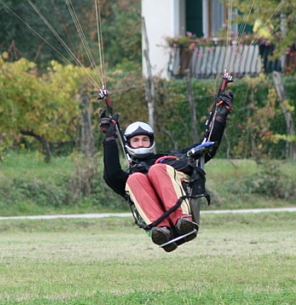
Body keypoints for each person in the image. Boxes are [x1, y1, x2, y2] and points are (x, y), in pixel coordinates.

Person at [100, 90, 233, 252]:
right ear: (129, 144)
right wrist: (109, 139)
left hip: (185, 214)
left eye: (144, 139)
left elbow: (208, 145)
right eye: (136, 140)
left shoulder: (170, 158)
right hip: (159, 228)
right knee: (135, 179)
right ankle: (161, 230)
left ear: (151, 141)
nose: (141, 143)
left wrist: (220, 117)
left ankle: (182, 220)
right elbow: (111, 174)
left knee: (157, 169)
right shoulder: (131, 176)